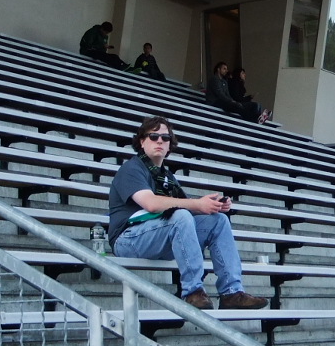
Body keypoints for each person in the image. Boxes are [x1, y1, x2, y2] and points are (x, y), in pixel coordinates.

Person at [106, 115, 268, 310]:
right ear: (142, 141)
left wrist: (212, 206)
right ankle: (193, 291)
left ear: (169, 145)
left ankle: (231, 292)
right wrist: (196, 204)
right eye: (153, 136)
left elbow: (184, 209)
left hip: (159, 235)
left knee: (218, 221)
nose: (159, 141)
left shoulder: (166, 176)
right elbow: (151, 204)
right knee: (181, 216)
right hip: (128, 239)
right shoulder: (131, 169)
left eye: (165, 138)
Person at [205, 62, 270, 124]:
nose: (226, 70)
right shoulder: (214, 79)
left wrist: (233, 101)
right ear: (218, 69)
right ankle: (255, 119)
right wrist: (232, 101)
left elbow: (227, 94)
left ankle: (258, 117)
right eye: (224, 69)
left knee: (250, 105)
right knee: (237, 106)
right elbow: (220, 94)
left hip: (224, 102)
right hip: (215, 102)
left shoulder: (224, 82)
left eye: (226, 69)